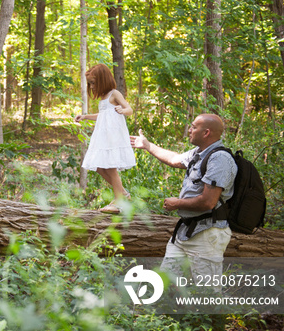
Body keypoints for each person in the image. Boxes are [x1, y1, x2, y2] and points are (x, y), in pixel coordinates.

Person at [130, 114, 237, 281]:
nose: (189, 130)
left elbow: (209, 202)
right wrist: (147, 145)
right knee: (167, 283)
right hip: (184, 233)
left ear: (206, 132)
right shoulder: (199, 153)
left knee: (207, 292)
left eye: (193, 127)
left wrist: (177, 203)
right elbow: (174, 159)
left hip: (207, 234)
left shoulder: (220, 159)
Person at [74, 64, 136, 214]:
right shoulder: (103, 98)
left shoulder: (114, 94)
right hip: (103, 136)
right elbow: (103, 115)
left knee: (110, 167)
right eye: (90, 84)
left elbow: (129, 109)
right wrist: (85, 116)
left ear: (103, 80)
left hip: (113, 137)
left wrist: (123, 110)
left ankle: (119, 201)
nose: (92, 86)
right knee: (100, 167)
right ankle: (123, 194)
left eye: (93, 83)